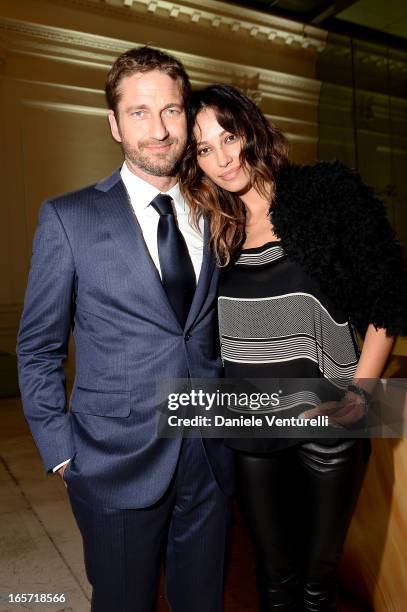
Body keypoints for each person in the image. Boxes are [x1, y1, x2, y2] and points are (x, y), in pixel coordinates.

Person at [17, 49, 234, 612]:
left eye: (171, 110)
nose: (159, 130)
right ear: (113, 123)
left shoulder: (218, 211)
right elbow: (38, 347)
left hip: (211, 458)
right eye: (138, 113)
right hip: (113, 462)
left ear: (187, 116)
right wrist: (62, 453)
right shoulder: (69, 218)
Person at [180, 84, 407, 611]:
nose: (222, 157)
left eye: (228, 136)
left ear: (251, 129)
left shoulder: (323, 191)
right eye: (204, 149)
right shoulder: (212, 227)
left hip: (330, 421)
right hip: (251, 423)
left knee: (315, 584)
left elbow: (387, 299)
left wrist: (361, 397)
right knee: (274, 579)